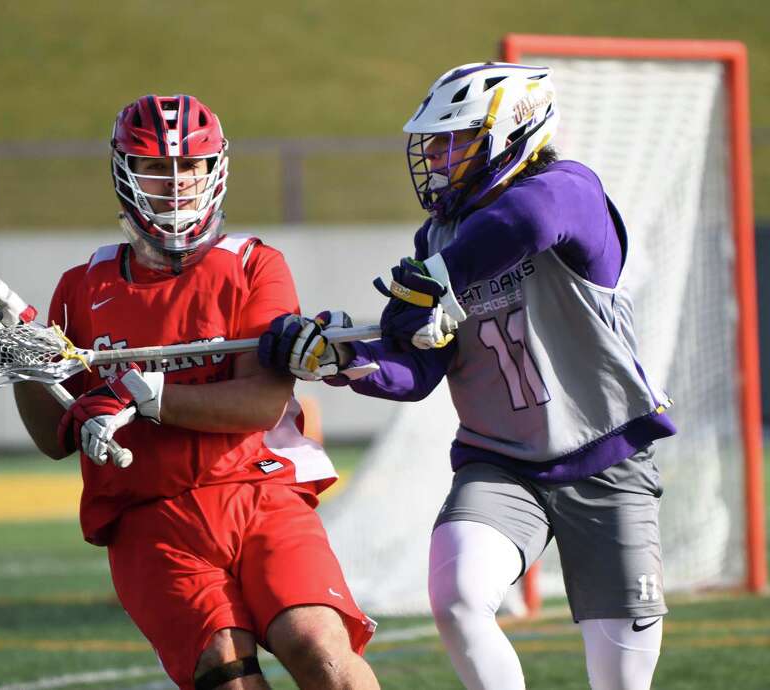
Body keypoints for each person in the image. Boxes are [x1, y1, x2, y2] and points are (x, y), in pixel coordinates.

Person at [0, 94, 378, 690]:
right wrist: (14, 349)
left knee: (319, 650)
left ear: (214, 170)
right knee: (227, 675)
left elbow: (260, 404)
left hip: (258, 493)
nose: (175, 184)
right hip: (151, 518)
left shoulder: (254, 265)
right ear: (125, 172)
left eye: (189, 167)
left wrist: (146, 396)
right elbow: (53, 437)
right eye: (155, 167)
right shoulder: (81, 286)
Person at [258, 63, 675, 690]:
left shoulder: (569, 189)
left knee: (620, 681)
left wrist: (440, 278)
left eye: (453, 139)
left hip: (606, 458)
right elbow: (416, 369)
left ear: (510, 134)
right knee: (456, 595)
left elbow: (531, 221)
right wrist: (341, 362)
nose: (435, 155)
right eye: (433, 141)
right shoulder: (439, 238)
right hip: (501, 462)